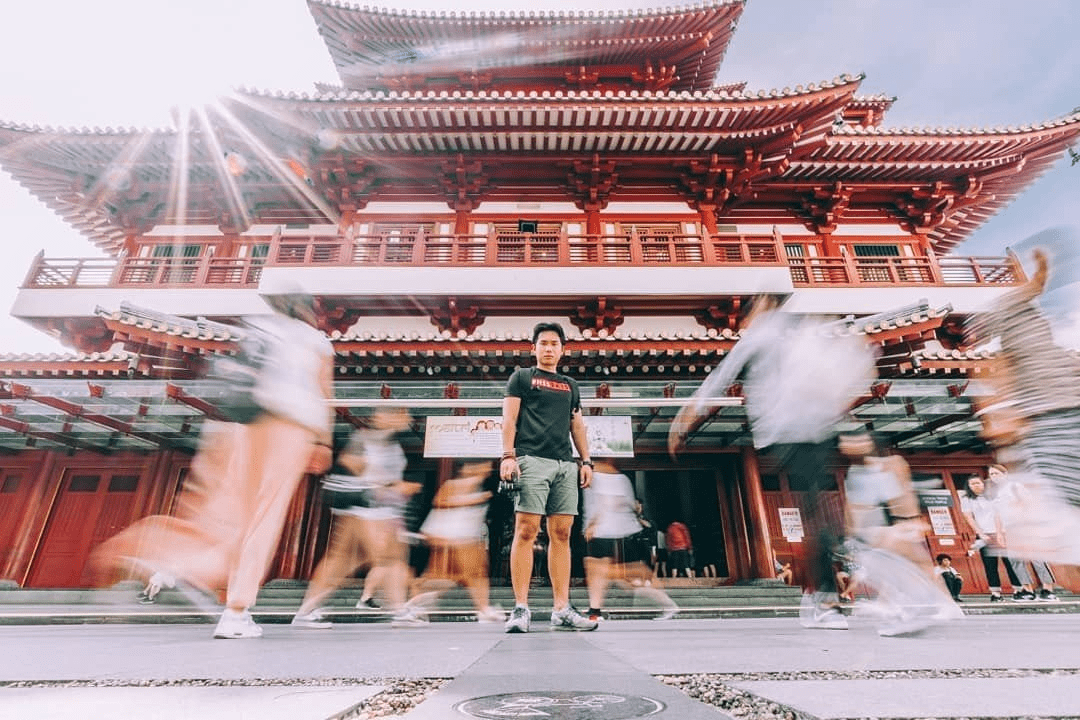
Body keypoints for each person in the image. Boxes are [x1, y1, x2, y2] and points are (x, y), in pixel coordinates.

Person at [669, 295, 875, 630]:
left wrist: (688, 416)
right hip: (804, 428)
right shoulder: (791, 331)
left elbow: (724, 374)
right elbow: (841, 370)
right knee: (819, 510)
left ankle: (823, 596)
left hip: (799, 428)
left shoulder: (781, 332)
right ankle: (825, 596)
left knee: (819, 512)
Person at [211, 288, 335, 639]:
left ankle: (203, 576)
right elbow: (324, 393)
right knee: (266, 513)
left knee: (239, 508)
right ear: (309, 309)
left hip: (247, 422)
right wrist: (324, 441)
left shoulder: (258, 327)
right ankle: (236, 609)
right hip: (289, 427)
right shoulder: (315, 340)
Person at [499, 322, 597, 633]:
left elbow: (577, 426)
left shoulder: (570, 384)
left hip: (565, 464)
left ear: (562, 350)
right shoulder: (522, 377)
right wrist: (507, 456)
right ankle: (520, 608)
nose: (549, 348)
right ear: (534, 348)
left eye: (554, 344)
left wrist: (586, 461)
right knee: (526, 530)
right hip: (531, 460)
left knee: (563, 534)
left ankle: (561, 608)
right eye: (543, 343)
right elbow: (509, 419)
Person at [290, 407, 421, 629]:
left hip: (373, 508)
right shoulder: (367, 438)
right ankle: (399, 610)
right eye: (398, 413)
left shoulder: (388, 442)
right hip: (367, 506)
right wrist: (390, 485)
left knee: (341, 561)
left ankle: (306, 610)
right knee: (388, 557)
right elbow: (351, 464)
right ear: (381, 416)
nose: (406, 418)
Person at [839, 430, 960, 636]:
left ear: (869, 443)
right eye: (846, 442)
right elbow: (858, 506)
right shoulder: (856, 472)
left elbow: (904, 492)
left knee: (911, 562)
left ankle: (932, 606)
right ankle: (905, 605)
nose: (852, 445)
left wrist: (910, 521)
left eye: (858, 440)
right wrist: (852, 534)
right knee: (889, 562)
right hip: (881, 526)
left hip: (901, 521)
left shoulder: (893, 462)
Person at [398, 461, 504, 624]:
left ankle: (483, 609)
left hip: (468, 537)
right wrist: (472, 500)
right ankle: (412, 609)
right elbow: (440, 503)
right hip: (451, 537)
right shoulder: (454, 484)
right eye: (482, 467)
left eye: (487, 468)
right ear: (468, 468)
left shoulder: (477, 486)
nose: (486, 471)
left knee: (475, 575)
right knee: (440, 578)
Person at [583, 459, 678, 622]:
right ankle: (595, 611)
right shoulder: (605, 477)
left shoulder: (613, 479)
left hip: (612, 532)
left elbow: (609, 504)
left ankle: (668, 604)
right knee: (605, 573)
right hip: (609, 532)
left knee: (616, 575)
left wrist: (593, 523)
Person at [986, 464, 1057, 601]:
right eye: (992, 474)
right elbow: (997, 515)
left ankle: (1047, 589)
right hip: (1009, 530)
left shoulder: (1015, 487)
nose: (994, 477)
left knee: (1036, 557)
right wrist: (999, 533)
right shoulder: (994, 494)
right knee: (1015, 560)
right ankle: (1028, 589)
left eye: (996, 473)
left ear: (1005, 473)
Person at [959, 475, 1022, 603]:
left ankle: (1019, 591)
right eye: (972, 484)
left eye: (977, 483)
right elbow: (969, 517)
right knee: (990, 565)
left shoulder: (995, 496)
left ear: (983, 484)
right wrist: (980, 534)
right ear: (968, 487)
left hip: (1002, 533)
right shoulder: (967, 499)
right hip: (985, 534)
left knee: (1011, 563)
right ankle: (995, 593)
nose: (975, 485)